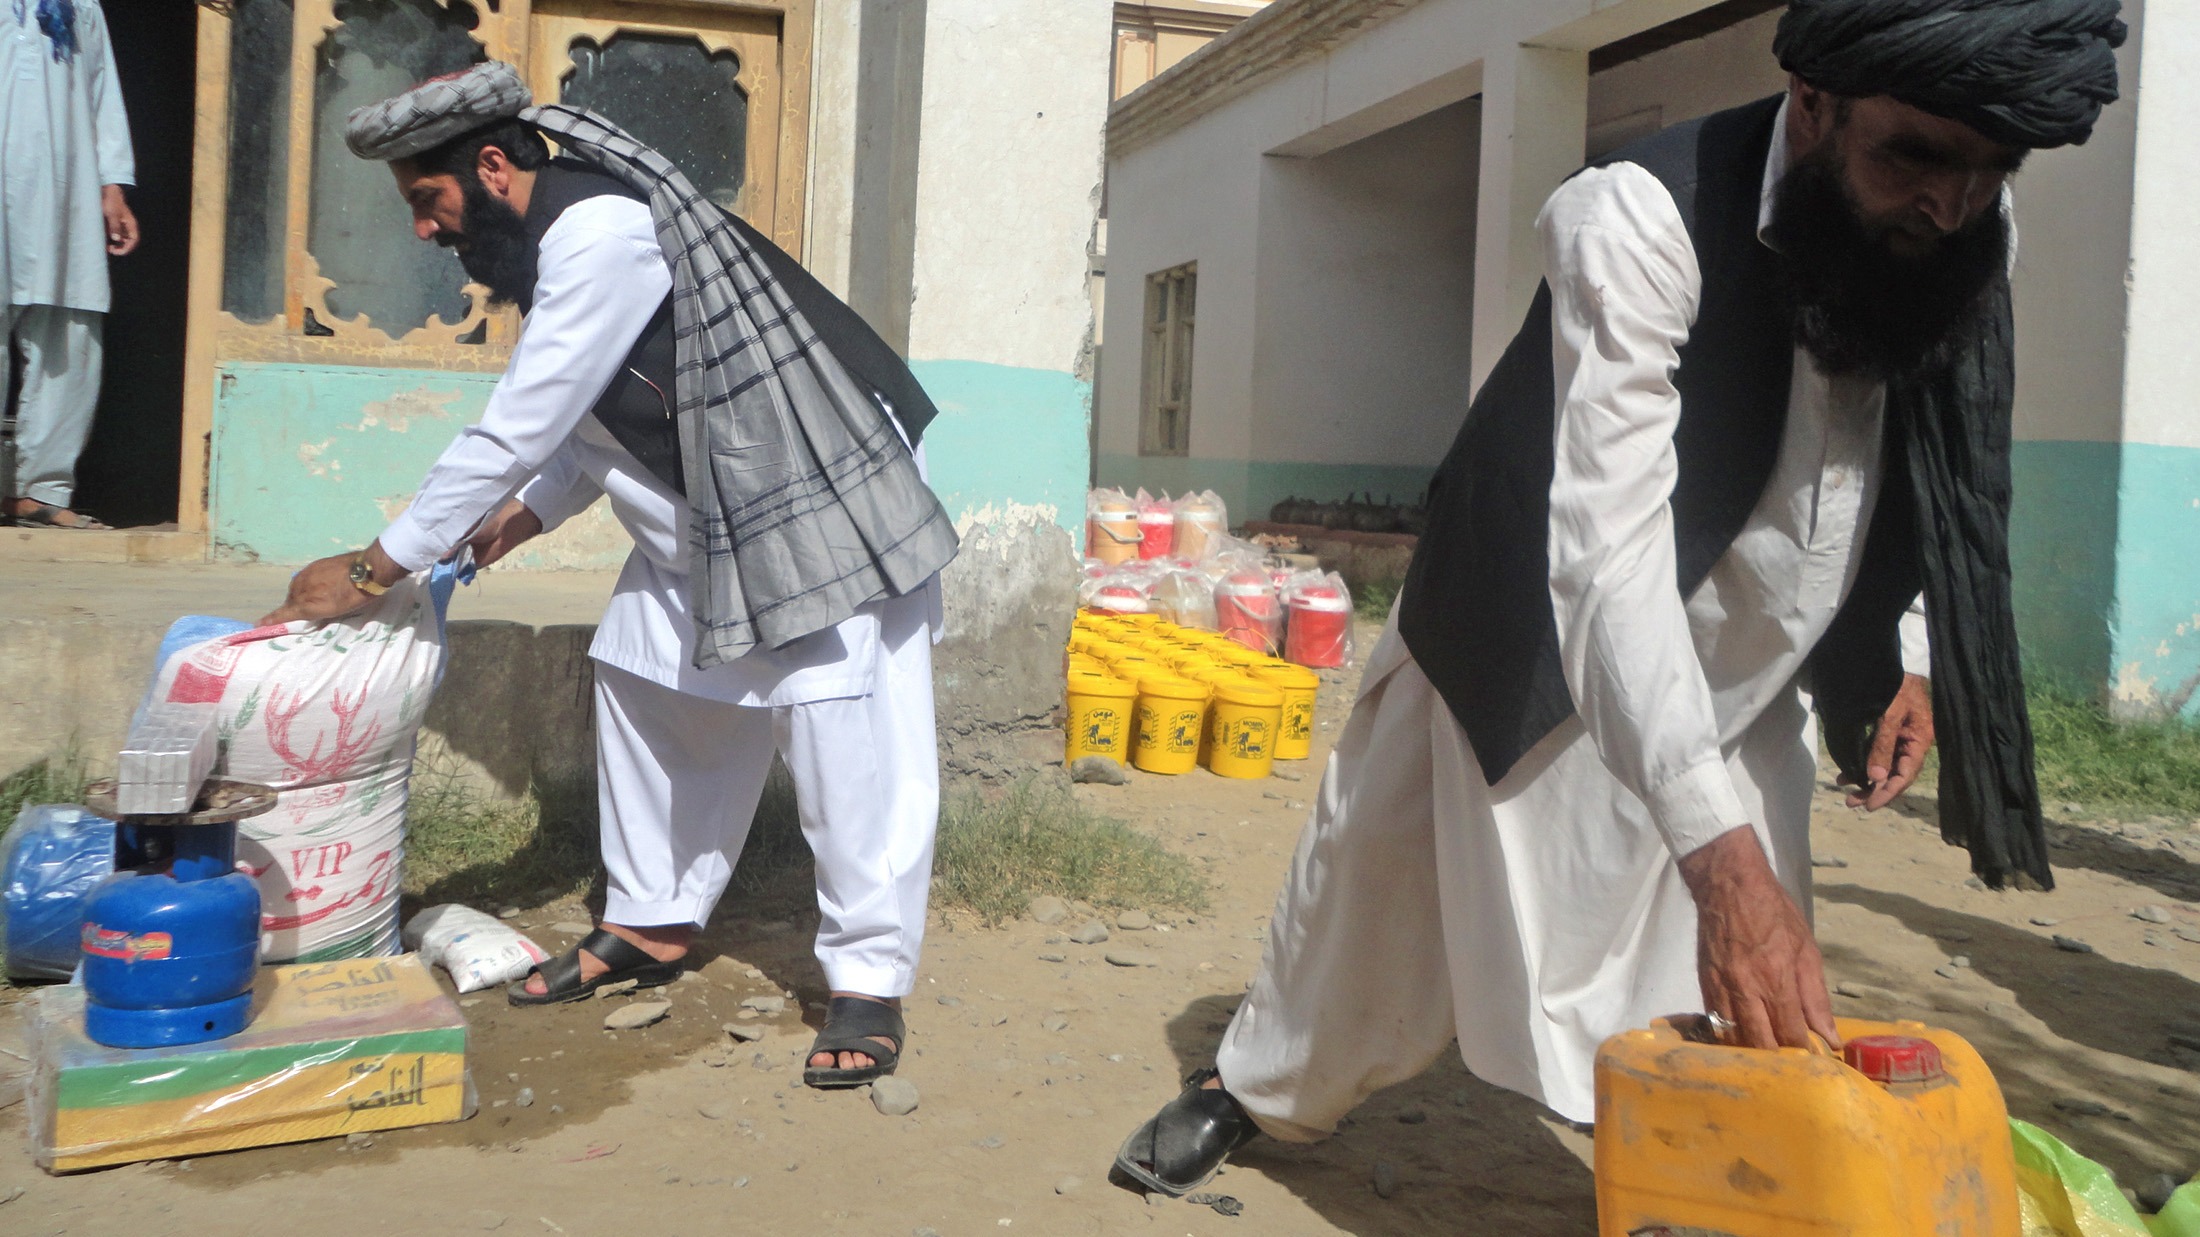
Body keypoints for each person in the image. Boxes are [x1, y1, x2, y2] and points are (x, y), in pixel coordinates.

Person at [1114, 0, 2125, 1196]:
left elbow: (1930, 447)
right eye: (1912, 155)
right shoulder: (1636, 215)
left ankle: (1690, 1183)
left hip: (1754, 653)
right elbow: (1605, 552)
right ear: (1811, 103)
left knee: (1749, 978)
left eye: (1985, 170)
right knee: (1380, 898)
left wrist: (1905, 644)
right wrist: (1719, 861)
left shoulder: (1954, 222)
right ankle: (1254, 1085)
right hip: (1535, 611)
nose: (1948, 203)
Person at [261, 62, 960, 1088]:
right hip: (712, 505)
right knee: (643, 678)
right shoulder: (563, 246)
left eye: (427, 200)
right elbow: (593, 417)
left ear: (491, 166)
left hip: (814, 495)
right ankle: (654, 920)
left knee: (846, 739)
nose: (423, 230)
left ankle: (866, 979)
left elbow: (523, 420)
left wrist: (375, 566)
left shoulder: (601, 233)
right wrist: (530, 508)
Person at [2, 0, 139, 530]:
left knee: (71, 332)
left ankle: (38, 491)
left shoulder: (79, 5)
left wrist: (113, 187)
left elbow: (102, 90)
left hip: (66, 185)